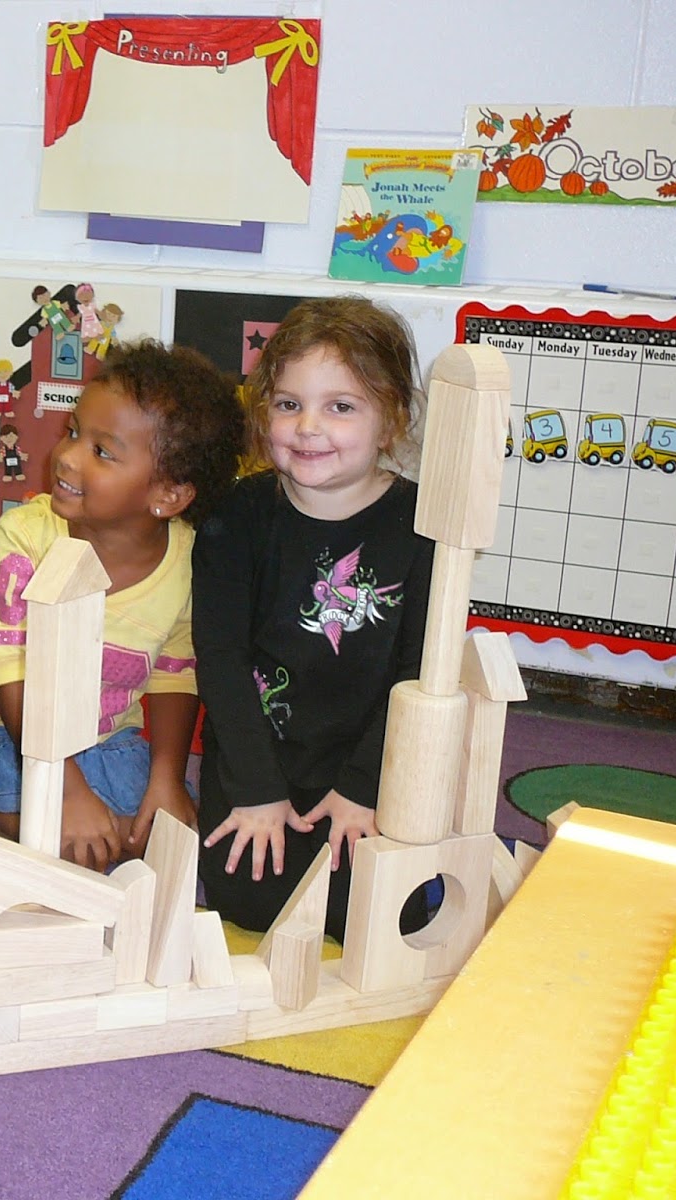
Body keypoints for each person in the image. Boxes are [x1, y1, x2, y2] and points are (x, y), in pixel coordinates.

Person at [0, 339, 245, 871]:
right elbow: (11, 673)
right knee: (71, 846)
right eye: (74, 432)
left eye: (101, 452)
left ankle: (45, 826)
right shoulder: (24, 538)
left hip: (101, 733)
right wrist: (68, 792)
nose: (67, 457)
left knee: (161, 832)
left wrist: (167, 779)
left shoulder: (189, 560)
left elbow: (174, 671)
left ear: (166, 496)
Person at [192, 296, 433, 941]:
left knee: (384, 915)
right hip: (261, 758)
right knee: (247, 902)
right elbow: (219, 659)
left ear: (391, 421)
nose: (308, 427)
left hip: (365, 762)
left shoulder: (422, 527)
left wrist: (366, 787)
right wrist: (255, 788)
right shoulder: (239, 514)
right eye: (289, 403)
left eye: (341, 406)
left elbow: (417, 674)